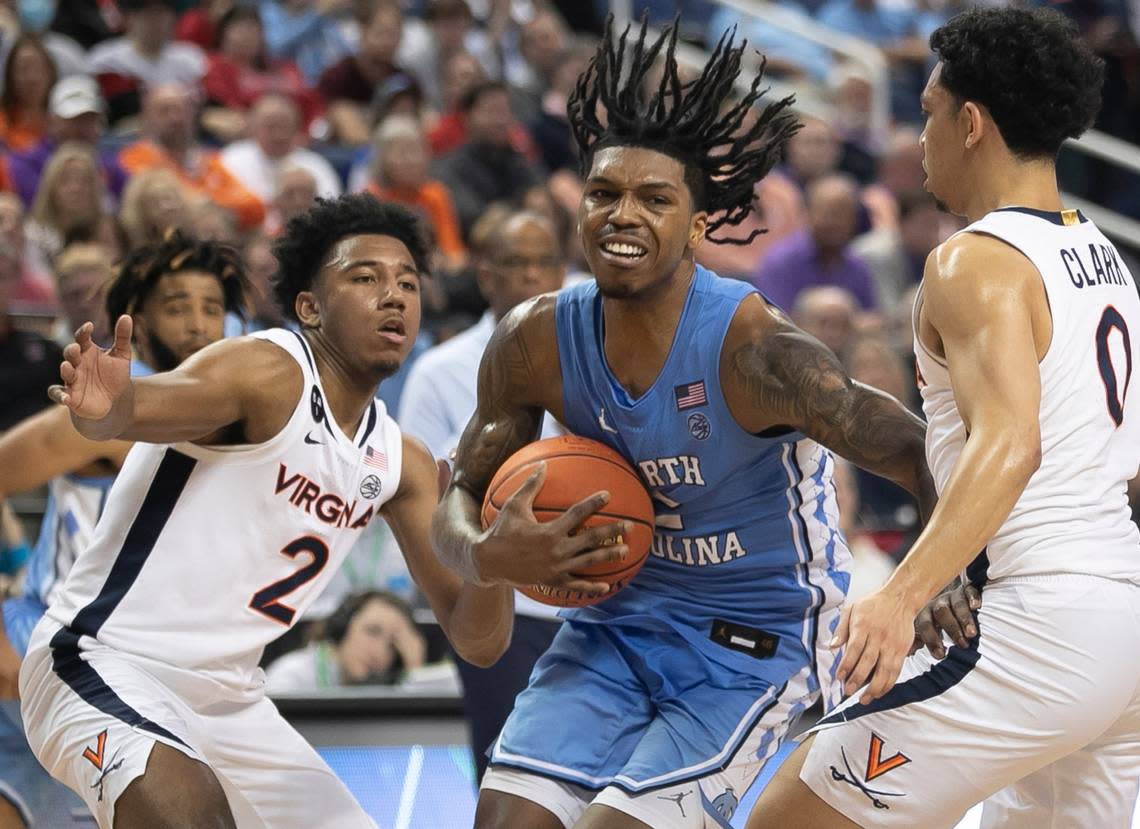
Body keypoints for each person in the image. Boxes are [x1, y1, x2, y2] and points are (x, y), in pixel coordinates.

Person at [430, 17, 935, 829]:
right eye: (603, 194)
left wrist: (931, 578)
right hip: (612, 628)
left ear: (699, 224)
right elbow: (455, 500)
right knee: (502, 821)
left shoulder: (756, 347)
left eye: (653, 198)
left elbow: (915, 448)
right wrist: (489, 551)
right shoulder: (533, 341)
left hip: (750, 642)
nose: (621, 214)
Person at [748, 8, 1140, 828]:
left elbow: (1012, 444)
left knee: (786, 815)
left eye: (927, 112)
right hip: (1121, 626)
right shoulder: (1105, 257)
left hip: (1039, 627)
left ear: (970, 123)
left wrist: (901, 595)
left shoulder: (974, 259)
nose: (920, 135)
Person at [18, 194, 514, 829]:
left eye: (408, 283)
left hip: (232, 700)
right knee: (187, 813)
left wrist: (495, 554)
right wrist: (113, 408)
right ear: (309, 306)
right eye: (365, 278)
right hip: (104, 661)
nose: (394, 296)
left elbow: (477, 642)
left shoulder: (401, 463)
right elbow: (147, 405)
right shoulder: (268, 369)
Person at [0, 233, 244, 829]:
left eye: (211, 307)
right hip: (53, 643)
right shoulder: (108, 415)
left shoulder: (243, 427)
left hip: (161, 664)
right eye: (177, 305)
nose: (197, 323)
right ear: (137, 315)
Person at [399, 209, 565, 783]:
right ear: (486, 274)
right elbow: (418, 495)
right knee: (511, 778)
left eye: (545, 262)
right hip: (505, 604)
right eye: (516, 263)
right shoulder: (439, 370)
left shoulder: (597, 359)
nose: (532, 275)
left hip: (597, 597)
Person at [266, 590, 426, 692]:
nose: (380, 652)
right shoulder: (289, 679)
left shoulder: (376, 689)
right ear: (342, 627)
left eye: (392, 645)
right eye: (372, 631)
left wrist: (414, 670)